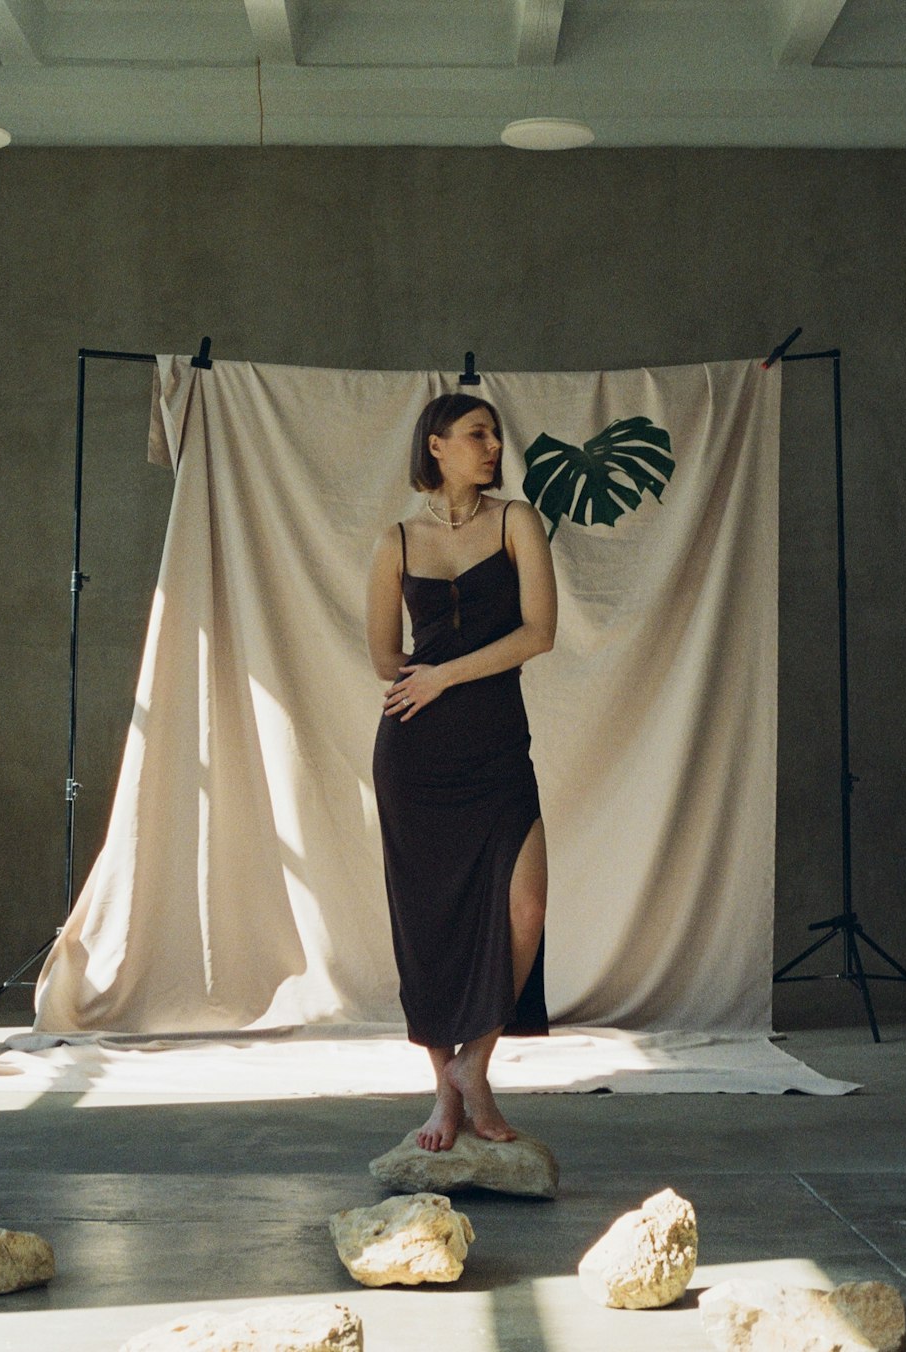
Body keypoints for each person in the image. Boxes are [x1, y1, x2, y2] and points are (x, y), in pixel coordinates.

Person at [367, 392, 557, 1152]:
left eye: (495, 435)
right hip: (415, 754)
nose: (492, 446)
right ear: (436, 446)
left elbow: (539, 633)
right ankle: (444, 1097)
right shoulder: (397, 540)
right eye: (477, 434)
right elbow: (383, 654)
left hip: (496, 743)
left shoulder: (517, 521)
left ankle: (475, 1064)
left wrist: (446, 675)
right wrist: (420, 678)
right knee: (429, 926)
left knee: (526, 905)